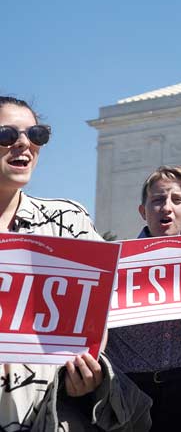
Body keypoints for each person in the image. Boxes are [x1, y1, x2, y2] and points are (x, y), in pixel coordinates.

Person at [0, 95, 149, 432]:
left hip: (45, 414)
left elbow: (94, 318)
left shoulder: (68, 221)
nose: (24, 143)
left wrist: (82, 374)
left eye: (36, 135)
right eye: (7, 135)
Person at [105, 166, 181, 432]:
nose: (166, 208)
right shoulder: (111, 263)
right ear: (143, 210)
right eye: (157, 200)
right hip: (130, 396)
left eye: (177, 200)